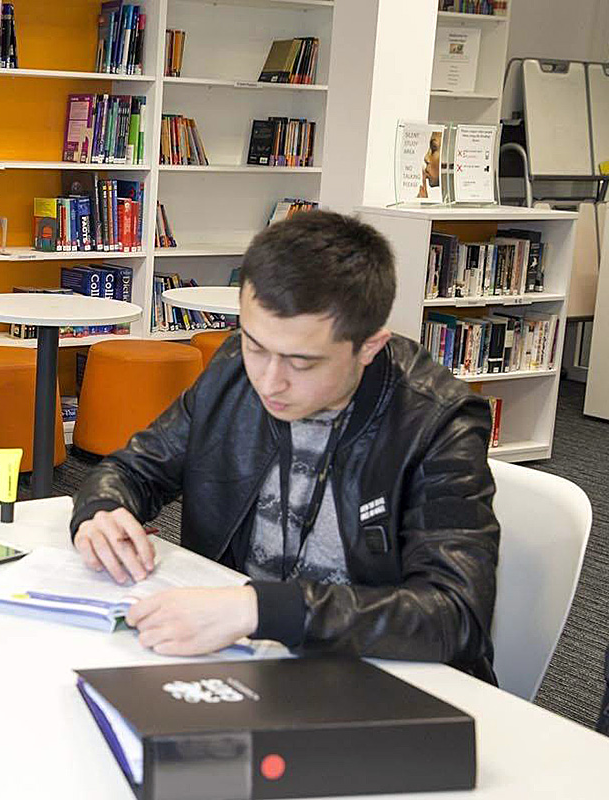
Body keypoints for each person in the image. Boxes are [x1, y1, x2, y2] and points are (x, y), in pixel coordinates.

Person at [70, 211, 500, 681]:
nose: (269, 381)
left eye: (302, 362)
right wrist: (101, 509)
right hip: (242, 658)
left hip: (376, 675)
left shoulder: (436, 421)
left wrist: (259, 609)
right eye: (256, 345)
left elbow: (455, 613)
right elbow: (135, 469)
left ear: (369, 346)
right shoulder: (233, 369)